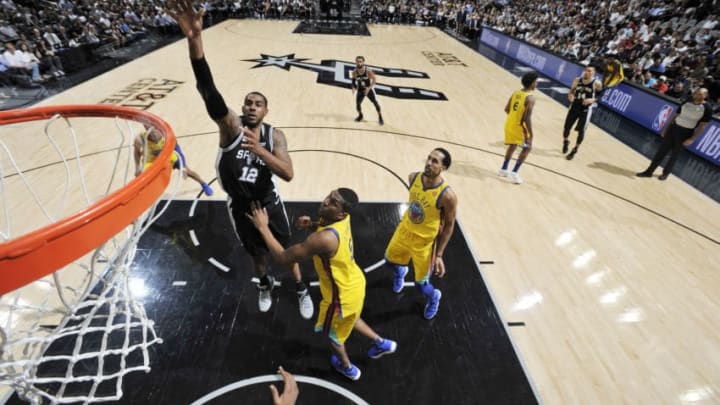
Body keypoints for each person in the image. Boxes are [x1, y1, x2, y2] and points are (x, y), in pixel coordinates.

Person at [168, 0, 313, 319]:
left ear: (265, 111)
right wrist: (195, 40)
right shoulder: (230, 127)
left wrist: (260, 151)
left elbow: (288, 173)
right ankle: (264, 284)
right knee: (257, 255)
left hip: (269, 201)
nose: (251, 106)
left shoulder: (275, 136)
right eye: (248, 102)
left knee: (287, 253)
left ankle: (301, 289)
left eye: (258, 103)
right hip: (240, 206)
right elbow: (208, 90)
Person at [249, 189, 398, 380]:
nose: (326, 201)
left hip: (340, 296)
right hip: (354, 283)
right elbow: (326, 232)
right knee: (351, 318)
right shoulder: (343, 220)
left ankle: (348, 368)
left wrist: (262, 227)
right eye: (329, 196)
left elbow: (284, 258)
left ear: (341, 213)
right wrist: (311, 225)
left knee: (333, 336)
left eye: (333, 202)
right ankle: (380, 342)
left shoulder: (324, 239)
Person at [385, 148, 457, 320]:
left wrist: (439, 254)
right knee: (389, 261)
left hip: (424, 244)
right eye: (429, 159)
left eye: (435, 161)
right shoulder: (413, 178)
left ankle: (434, 297)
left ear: (444, 167)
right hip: (404, 231)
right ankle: (401, 272)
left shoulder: (447, 196)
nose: (429, 163)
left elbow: (449, 226)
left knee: (421, 287)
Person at [636, 88, 712, 181]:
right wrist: (666, 129)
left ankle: (665, 173)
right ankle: (649, 172)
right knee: (661, 152)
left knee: (674, 155)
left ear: (705, 96)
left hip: (686, 133)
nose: (697, 95)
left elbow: (703, 126)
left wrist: (692, 139)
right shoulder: (687, 101)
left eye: (700, 94)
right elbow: (675, 115)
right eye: (696, 93)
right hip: (673, 128)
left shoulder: (707, 108)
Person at [133, 126, 214, 196]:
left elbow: (178, 151)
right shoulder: (140, 139)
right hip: (152, 161)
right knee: (143, 178)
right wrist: (137, 167)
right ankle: (144, 195)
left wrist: (183, 167)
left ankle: (203, 184)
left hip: (169, 157)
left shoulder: (167, 135)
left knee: (188, 171)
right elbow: (137, 153)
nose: (154, 134)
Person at [498, 71, 538, 185]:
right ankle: (514, 172)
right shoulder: (531, 98)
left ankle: (504, 169)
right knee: (528, 148)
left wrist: (514, 118)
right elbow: (527, 118)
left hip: (509, 124)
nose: (536, 85)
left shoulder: (516, 93)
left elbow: (507, 109)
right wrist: (531, 134)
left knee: (513, 145)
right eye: (536, 82)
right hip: (520, 127)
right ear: (531, 84)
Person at [562, 66, 602, 160]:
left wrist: (593, 99)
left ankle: (575, 149)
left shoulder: (596, 83)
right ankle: (566, 141)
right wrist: (570, 95)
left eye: (589, 71)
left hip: (585, 110)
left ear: (593, 73)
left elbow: (601, 95)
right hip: (574, 106)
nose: (587, 72)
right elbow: (572, 89)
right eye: (586, 70)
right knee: (566, 128)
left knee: (581, 131)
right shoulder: (577, 80)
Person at [351, 56, 384, 125]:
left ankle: (380, 116)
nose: (359, 63)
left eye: (360, 61)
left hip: (368, 89)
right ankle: (360, 115)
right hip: (360, 89)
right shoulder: (354, 71)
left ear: (363, 62)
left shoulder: (368, 71)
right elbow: (353, 80)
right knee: (357, 105)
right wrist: (353, 87)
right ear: (356, 62)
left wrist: (369, 88)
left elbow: (374, 80)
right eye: (358, 61)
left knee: (375, 103)